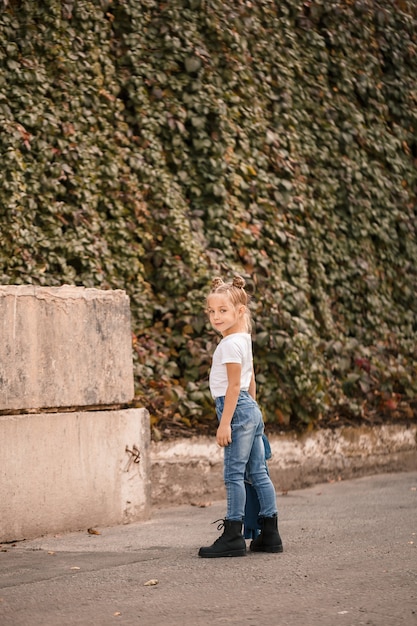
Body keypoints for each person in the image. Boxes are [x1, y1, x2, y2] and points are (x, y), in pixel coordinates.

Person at [198, 275, 283, 558]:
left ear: (239, 311)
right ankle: (269, 533)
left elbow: (235, 386)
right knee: (257, 472)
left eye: (223, 311)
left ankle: (234, 535)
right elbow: (251, 381)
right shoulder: (242, 340)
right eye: (211, 311)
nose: (215, 316)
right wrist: (254, 413)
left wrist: (226, 423)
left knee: (234, 474)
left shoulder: (229, 345)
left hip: (236, 409)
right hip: (249, 409)